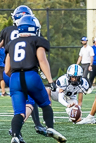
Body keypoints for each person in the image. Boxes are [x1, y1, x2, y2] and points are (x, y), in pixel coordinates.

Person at [5, 15, 66, 143]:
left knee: (19, 113)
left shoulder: (11, 43)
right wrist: (50, 80)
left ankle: (15, 135)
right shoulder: (37, 40)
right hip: (31, 76)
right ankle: (50, 128)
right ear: (33, 28)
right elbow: (42, 60)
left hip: (14, 78)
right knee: (45, 104)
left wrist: (16, 80)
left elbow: (6, 70)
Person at [0, 5, 47, 141]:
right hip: (24, 72)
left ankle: (36, 126)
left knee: (24, 101)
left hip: (8, 73)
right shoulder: (33, 31)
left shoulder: (7, 31)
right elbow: (40, 53)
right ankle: (16, 129)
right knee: (31, 101)